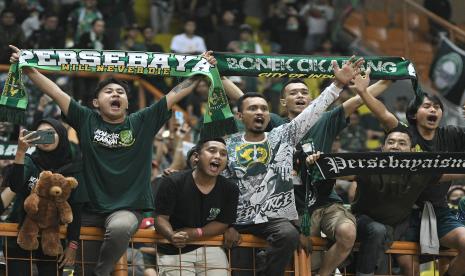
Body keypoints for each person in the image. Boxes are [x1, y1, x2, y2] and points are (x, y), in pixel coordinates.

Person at [9, 45, 215, 276]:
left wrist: (201, 70)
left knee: (119, 229)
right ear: (96, 103)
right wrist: (28, 69)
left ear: (127, 103)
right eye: (108, 91)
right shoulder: (86, 119)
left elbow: (176, 92)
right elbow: (56, 92)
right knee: (80, 271)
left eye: (120, 92)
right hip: (90, 209)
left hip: (127, 208)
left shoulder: (142, 121)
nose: (115, 94)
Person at [222, 63, 389, 276]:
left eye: (304, 92)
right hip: (294, 208)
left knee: (343, 234)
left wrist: (388, 79)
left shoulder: (321, 120)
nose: (300, 96)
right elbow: (246, 100)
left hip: (324, 201)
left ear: (311, 99)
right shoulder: (276, 126)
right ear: (283, 102)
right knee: (296, 254)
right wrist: (218, 76)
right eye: (293, 93)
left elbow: (355, 101)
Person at [355, 82, 465, 276]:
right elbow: (384, 114)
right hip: (404, 213)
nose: (433, 109)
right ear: (414, 114)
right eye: (427, 106)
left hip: (438, 211)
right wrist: (363, 91)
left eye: (437, 107)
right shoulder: (405, 136)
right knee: (409, 268)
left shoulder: (451, 134)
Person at [3, 118, 88, 276]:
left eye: (50, 133)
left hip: (53, 239)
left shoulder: (75, 168)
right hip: (20, 236)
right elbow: (15, 185)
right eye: (40, 134)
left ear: (61, 135)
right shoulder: (30, 161)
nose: (45, 138)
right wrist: (21, 152)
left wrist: (73, 244)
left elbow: (76, 207)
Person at [154, 137, 239, 275]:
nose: (217, 156)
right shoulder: (173, 182)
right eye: (212, 151)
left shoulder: (230, 189)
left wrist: (195, 233)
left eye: (223, 154)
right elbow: (160, 218)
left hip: (210, 245)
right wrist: (171, 236)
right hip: (175, 250)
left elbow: (223, 223)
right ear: (196, 157)